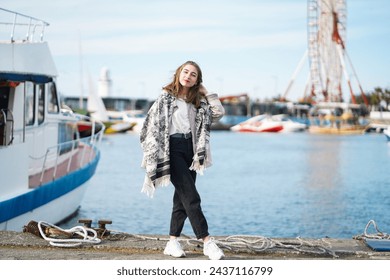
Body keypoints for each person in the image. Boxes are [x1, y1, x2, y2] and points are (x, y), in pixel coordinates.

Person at [140, 61, 225, 260]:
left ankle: (172, 241)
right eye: (185, 72)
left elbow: (218, 114)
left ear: (197, 80)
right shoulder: (165, 97)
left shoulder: (199, 100)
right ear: (178, 73)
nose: (188, 76)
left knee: (182, 199)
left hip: (192, 151)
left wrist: (206, 92)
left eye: (193, 74)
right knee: (191, 196)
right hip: (172, 149)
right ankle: (206, 241)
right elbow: (149, 126)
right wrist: (153, 152)